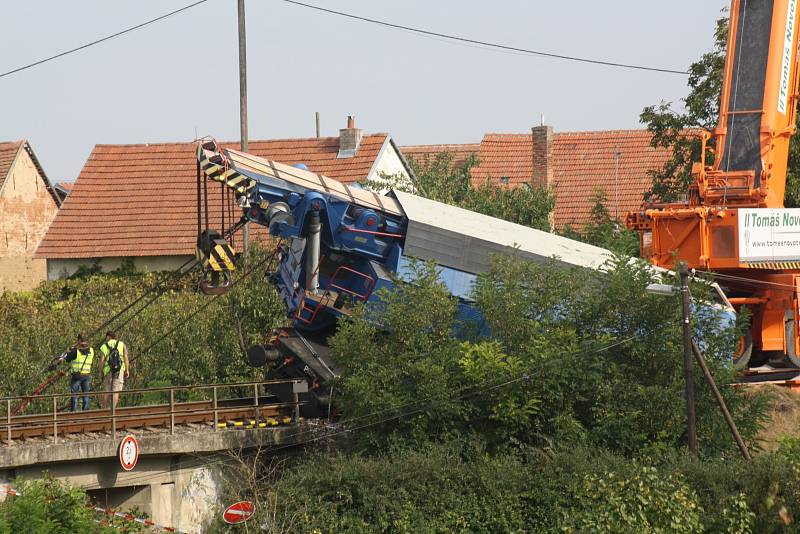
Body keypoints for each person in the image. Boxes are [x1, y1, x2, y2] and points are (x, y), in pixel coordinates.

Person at [99, 331, 130, 409]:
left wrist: (100, 371)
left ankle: (104, 409)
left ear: (108, 337)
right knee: (116, 391)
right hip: (119, 371)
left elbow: (102, 360)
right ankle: (112, 410)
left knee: (106, 390)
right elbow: (126, 358)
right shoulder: (122, 344)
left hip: (108, 371)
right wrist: (127, 370)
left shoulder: (104, 346)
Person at [64, 333, 94, 411]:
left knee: (74, 395)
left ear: (79, 340)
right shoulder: (91, 350)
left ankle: (74, 412)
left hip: (77, 376)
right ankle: (85, 411)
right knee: (86, 395)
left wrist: (69, 351)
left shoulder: (75, 351)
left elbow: (67, 359)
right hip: (87, 375)